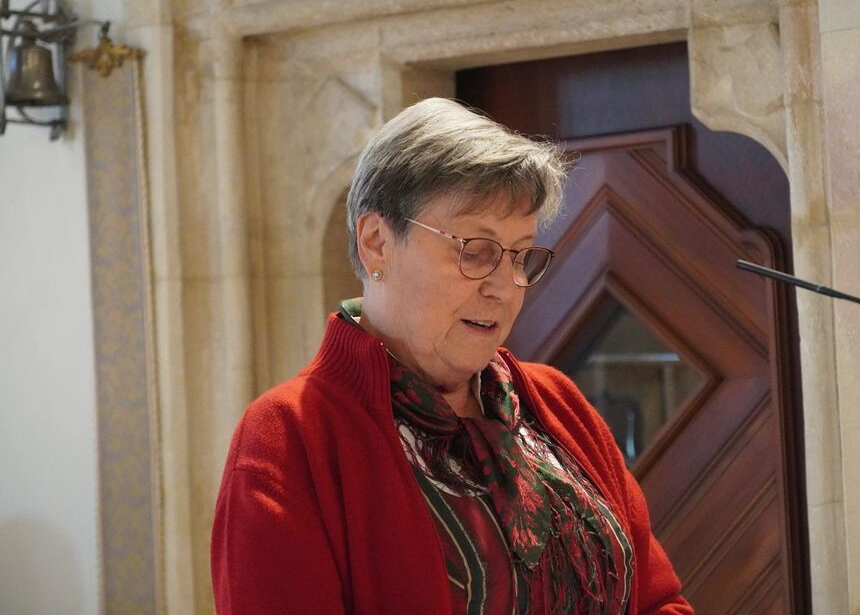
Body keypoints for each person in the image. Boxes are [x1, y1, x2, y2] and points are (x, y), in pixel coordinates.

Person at [211, 98, 693, 614]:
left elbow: (659, 601)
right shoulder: (289, 438)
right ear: (376, 243)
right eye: (475, 251)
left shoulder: (557, 402)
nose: (504, 287)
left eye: (521, 256)